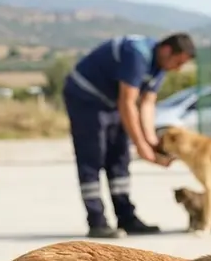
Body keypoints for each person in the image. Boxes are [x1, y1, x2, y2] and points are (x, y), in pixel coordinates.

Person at [62, 33, 195, 238]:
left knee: (119, 159)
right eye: (178, 62)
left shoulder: (159, 66)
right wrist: (141, 146)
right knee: (93, 158)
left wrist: (152, 143)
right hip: (86, 99)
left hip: (111, 102)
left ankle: (127, 218)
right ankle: (97, 221)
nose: (178, 69)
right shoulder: (137, 54)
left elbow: (147, 103)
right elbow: (128, 101)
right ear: (167, 51)